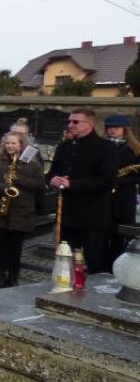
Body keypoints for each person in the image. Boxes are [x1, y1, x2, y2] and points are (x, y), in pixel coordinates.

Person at [46, 107, 118, 273]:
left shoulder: (105, 147)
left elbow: (106, 180)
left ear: (89, 124)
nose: (71, 125)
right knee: (65, 263)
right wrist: (52, 180)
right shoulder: (64, 147)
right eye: (69, 121)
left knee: (94, 263)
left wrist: (74, 184)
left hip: (93, 216)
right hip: (67, 215)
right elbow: (51, 173)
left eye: (75, 122)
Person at [0, 132, 45, 288]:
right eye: (8, 143)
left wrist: (19, 180)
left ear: (21, 145)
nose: (10, 146)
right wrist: (4, 187)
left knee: (15, 248)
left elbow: (39, 185)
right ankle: (0, 276)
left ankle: (13, 276)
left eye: (14, 143)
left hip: (21, 211)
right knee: (0, 248)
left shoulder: (32, 163)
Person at [106, 114, 140, 259]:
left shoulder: (134, 149)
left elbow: (137, 175)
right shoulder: (103, 146)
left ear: (125, 129)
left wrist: (119, 182)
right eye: (109, 128)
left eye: (116, 127)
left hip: (125, 198)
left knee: (121, 234)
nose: (112, 130)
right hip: (105, 197)